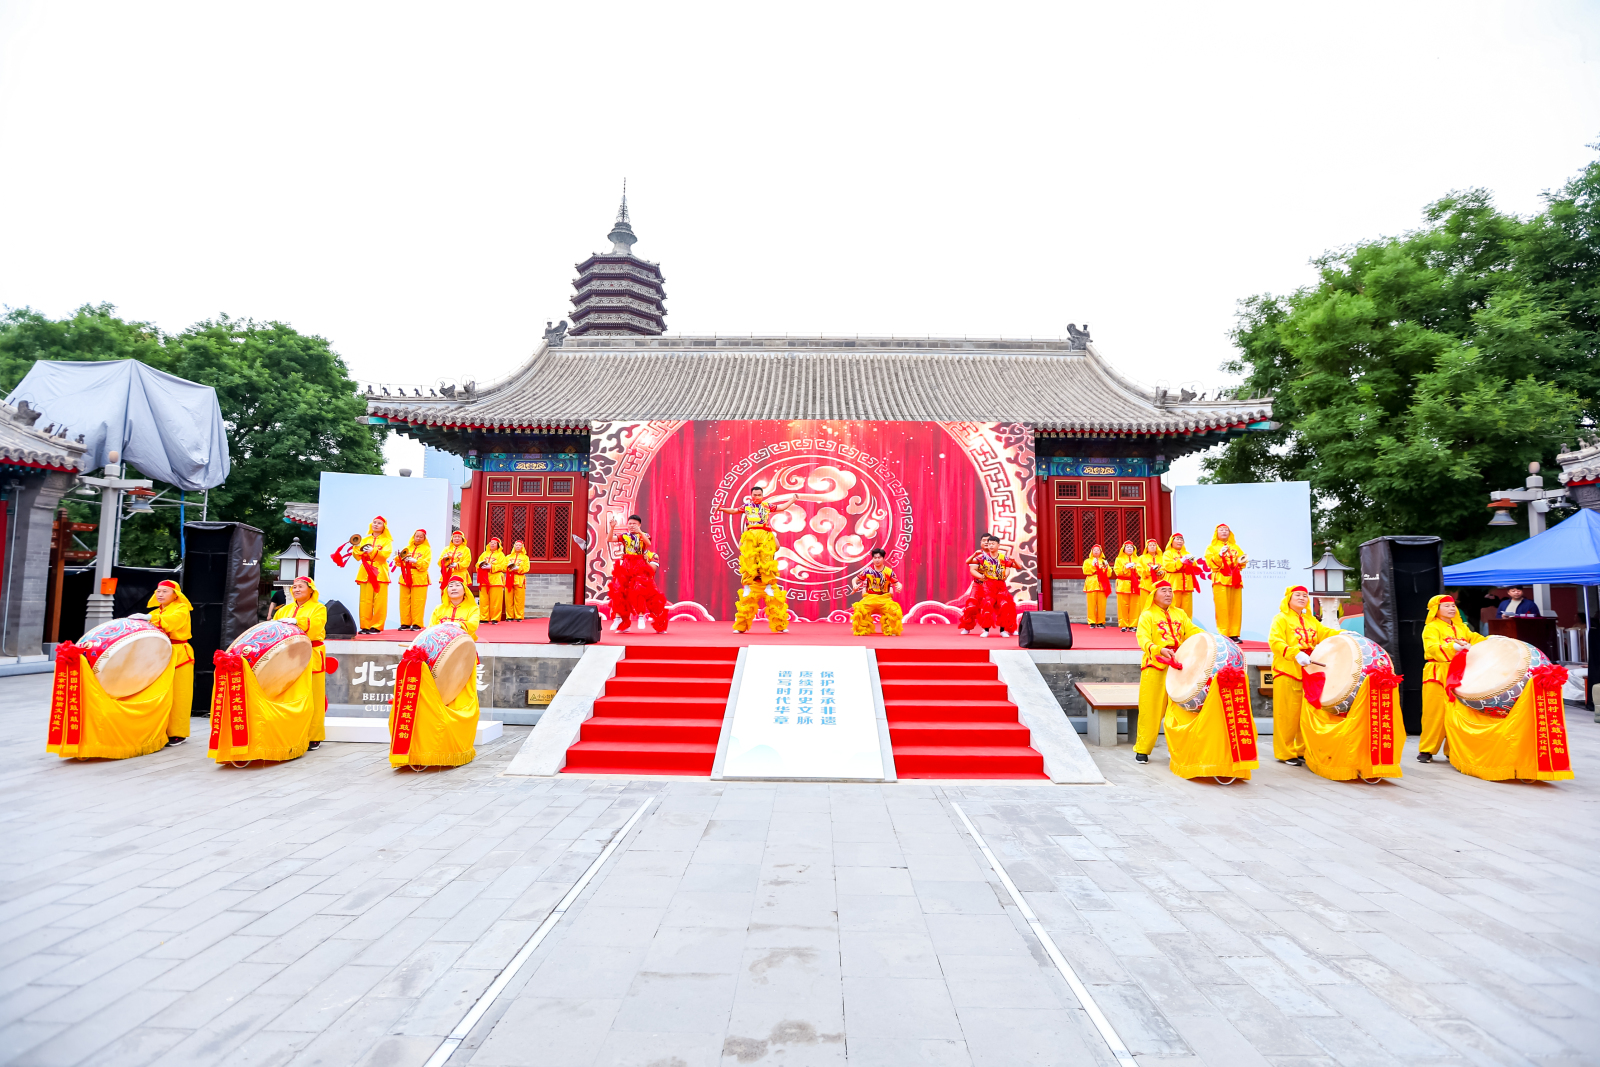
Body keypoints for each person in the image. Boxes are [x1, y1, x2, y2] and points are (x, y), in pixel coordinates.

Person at [1267, 585, 1339, 766]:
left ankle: (1300, 749)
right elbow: (1275, 641)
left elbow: (1325, 633)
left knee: (1304, 712)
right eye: (1297, 595)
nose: (1302, 598)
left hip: (1309, 672)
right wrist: (1295, 653)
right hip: (1287, 670)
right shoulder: (1281, 619)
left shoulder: (1311, 620)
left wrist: (1343, 634)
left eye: (1305, 596)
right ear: (1289, 599)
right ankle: (1285, 752)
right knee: (1287, 714)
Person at [1133, 580, 1200, 764]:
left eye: (1170, 590)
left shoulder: (1180, 614)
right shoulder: (1147, 616)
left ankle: (1176, 749)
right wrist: (1158, 649)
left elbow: (1192, 631)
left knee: (1178, 709)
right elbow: (1142, 638)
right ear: (1154, 594)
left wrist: (1207, 637)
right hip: (1155, 667)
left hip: (1178, 667)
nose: (1169, 593)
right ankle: (1143, 749)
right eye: (1164, 590)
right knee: (1150, 709)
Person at [1419, 594, 1485, 763]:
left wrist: (1491, 640)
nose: (1451, 609)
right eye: (1446, 606)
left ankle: (1453, 749)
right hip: (1439, 673)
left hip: (1460, 673)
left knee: (1459, 710)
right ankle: (1427, 750)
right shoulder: (1432, 627)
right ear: (1436, 609)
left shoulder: (1462, 627)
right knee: (1434, 712)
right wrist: (1453, 647)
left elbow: (1476, 639)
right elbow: (1431, 649)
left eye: (1453, 606)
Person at [274, 576, 329, 749]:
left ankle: (313, 735)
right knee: (290, 695)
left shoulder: (319, 608)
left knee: (313, 696)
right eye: (294, 587)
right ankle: (291, 733)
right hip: (288, 656)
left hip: (311, 654)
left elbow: (318, 626)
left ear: (310, 589)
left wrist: (298, 622)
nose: (296, 589)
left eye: (300, 587)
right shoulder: (284, 610)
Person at [717, 484, 797, 597]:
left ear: (762, 496)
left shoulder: (767, 506)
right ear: (751, 495)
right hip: (751, 534)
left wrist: (793, 499)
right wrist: (721, 509)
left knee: (767, 559)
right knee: (749, 560)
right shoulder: (747, 506)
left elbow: (782, 507)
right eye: (755, 495)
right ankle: (748, 586)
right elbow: (734, 510)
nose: (757, 497)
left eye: (759, 495)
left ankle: (768, 586)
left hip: (764, 533)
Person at [141, 580, 194, 747]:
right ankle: (159, 730)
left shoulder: (181, 608)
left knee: (180, 694)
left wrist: (149, 618)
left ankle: (178, 732)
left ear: (175, 594)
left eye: (165, 591)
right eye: (158, 591)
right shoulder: (156, 611)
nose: (160, 594)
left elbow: (172, 621)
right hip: (158, 653)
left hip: (179, 653)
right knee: (159, 693)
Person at [606, 514, 669, 633]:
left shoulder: (644, 537)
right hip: (625, 565)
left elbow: (648, 544)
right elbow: (609, 539)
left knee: (640, 589)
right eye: (630, 523)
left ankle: (642, 617)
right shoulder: (625, 536)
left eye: (634, 524)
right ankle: (619, 619)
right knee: (618, 590)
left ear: (639, 525)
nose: (631, 526)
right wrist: (612, 528)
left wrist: (639, 532)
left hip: (639, 564)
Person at [966, 534, 1022, 637]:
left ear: (997, 544)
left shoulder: (1002, 556)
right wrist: (981, 577)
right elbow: (972, 569)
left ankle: (1008, 629)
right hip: (981, 583)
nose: (988, 544)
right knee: (976, 604)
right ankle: (971, 627)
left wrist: (1006, 573)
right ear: (981, 543)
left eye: (991, 542)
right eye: (986, 541)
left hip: (999, 584)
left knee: (1006, 605)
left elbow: (1009, 567)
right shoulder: (980, 556)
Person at [1205, 523, 1247, 639]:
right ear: (1216, 533)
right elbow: (1210, 563)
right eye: (1221, 530)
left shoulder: (1235, 547)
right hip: (1220, 579)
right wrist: (1219, 555)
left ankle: (1234, 633)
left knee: (1236, 607)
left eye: (1226, 530)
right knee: (1222, 607)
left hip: (1235, 579)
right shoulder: (1211, 548)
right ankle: (1223, 634)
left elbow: (1242, 560)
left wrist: (1242, 560)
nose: (1224, 532)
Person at [852, 548, 904, 636]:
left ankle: (890, 630)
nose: (877, 560)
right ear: (872, 559)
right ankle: (863, 629)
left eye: (879, 558)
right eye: (875, 558)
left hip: (884, 599)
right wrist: (854, 586)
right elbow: (855, 579)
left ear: (883, 558)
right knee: (859, 609)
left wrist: (899, 587)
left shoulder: (889, 572)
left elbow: (898, 583)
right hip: (869, 598)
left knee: (894, 610)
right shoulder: (867, 571)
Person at [354, 516, 393, 634]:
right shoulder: (364, 540)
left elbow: (385, 555)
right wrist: (357, 549)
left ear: (384, 527)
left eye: (379, 523)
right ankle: (365, 626)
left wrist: (373, 551)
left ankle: (376, 626)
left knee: (380, 601)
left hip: (380, 572)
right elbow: (356, 555)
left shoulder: (387, 541)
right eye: (374, 522)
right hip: (365, 571)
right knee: (365, 600)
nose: (375, 524)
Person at [394, 529, 431, 631]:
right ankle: (405, 623)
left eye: (421, 536)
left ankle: (417, 623)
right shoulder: (407, 548)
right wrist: (398, 558)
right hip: (406, 576)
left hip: (419, 577)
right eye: (416, 536)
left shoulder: (426, 549)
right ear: (413, 536)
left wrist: (415, 561)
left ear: (424, 538)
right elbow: (398, 562)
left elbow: (425, 564)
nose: (418, 538)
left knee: (418, 601)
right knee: (404, 600)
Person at [1161, 533, 1203, 616]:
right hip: (1174, 584)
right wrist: (1181, 561)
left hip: (1187, 584)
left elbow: (1195, 567)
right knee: (1173, 606)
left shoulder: (1187, 553)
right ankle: (1174, 626)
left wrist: (1192, 562)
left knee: (1187, 608)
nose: (1180, 541)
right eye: (1177, 539)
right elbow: (1169, 567)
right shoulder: (1167, 553)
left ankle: (1186, 627)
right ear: (1171, 542)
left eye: (1181, 539)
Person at [475, 537, 507, 624]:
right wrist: (480, 565)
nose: (492, 544)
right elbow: (477, 563)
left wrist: (492, 567)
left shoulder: (501, 555)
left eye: (494, 543)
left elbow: (504, 567)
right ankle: (483, 617)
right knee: (483, 600)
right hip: (484, 579)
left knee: (496, 600)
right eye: (491, 542)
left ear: (498, 545)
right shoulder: (484, 554)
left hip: (496, 580)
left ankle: (495, 618)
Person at [1112, 540, 1141, 632]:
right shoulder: (1119, 559)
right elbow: (1117, 572)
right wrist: (1126, 567)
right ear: (1123, 549)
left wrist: (1135, 569)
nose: (1129, 549)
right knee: (1122, 605)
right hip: (1123, 584)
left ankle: (1134, 625)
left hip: (1135, 583)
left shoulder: (1138, 559)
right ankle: (1123, 624)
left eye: (1131, 547)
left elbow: (1141, 571)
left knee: (1135, 605)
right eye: (1127, 547)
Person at [1081, 544, 1111, 627]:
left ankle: (1101, 621)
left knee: (1102, 605)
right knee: (1091, 605)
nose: (1096, 551)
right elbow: (1085, 571)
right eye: (1095, 550)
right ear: (1092, 551)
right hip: (1092, 583)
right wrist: (1092, 566)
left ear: (1101, 552)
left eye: (1098, 550)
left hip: (1102, 584)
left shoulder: (1104, 561)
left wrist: (1106, 567)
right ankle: (1092, 622)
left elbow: (1109, 573)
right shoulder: (1087, 561)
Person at [1135, 538, 1166, 617]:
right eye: (1150, 545)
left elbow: (1165, 568)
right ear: (1147, 547)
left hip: (1159, 585)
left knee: (1159, 605)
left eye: (1154, 545)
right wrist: (1149, 570)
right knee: (1145, 606)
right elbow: (1139, 570)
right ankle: (1145, 624)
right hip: (1146, 585)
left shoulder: (1162, 558)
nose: (1152, 547)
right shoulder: (1141, 558)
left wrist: (1161, 572)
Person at [437, 529, 472, 597]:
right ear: (452, 539)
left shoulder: (466, 550)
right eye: (455, 537)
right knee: (445, 595)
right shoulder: (446, 549)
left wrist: (457, 565)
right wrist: (444, 560)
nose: (457, 538)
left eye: (459, 537)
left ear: (463, 539)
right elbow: (439, 562)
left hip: (460, 574)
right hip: (447, 574)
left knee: (459, 595)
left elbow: (467, 562)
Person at [504, 539, 529, 621]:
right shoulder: (508, 557)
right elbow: (503, 567)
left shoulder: (525, 558)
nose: (518, 547)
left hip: (519, 579)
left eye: (519, 545)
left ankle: (519, 616)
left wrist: (518, 568)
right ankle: (509, 616)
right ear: (514, 547)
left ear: (522, 547)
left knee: (519, 599)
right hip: (509, 578)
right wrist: (509, 567)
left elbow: (527, 568)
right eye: (516, 545)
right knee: (509, 599)